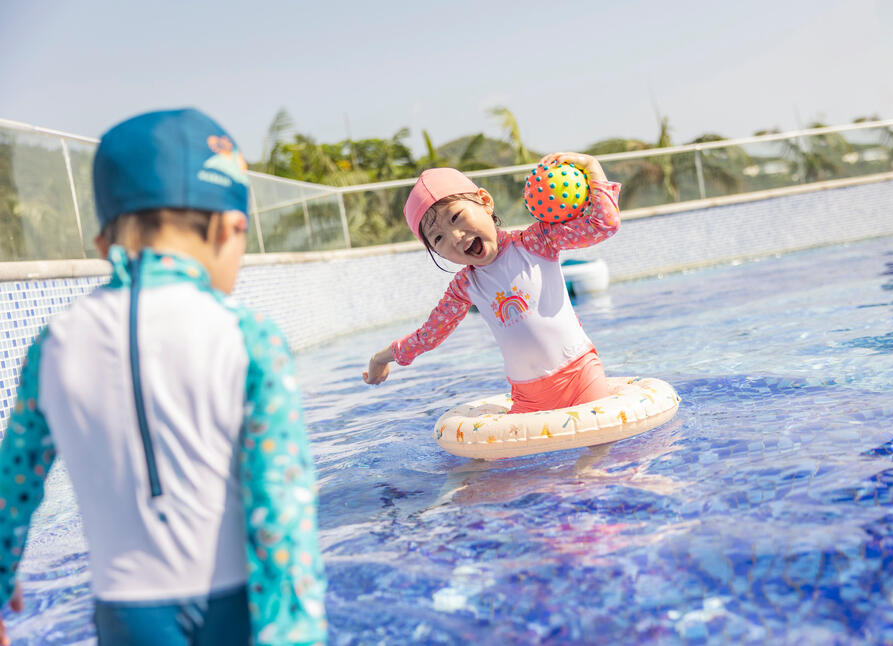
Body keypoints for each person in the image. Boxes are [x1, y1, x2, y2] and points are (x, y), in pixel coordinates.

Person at [0, 108, 326, 646]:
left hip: (124, 618)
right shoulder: (248, 334)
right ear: (231, 227)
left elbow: (14, 483)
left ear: (105, 243)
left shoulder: (52, 344)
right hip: (231, 610)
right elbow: (282, 507)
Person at [363, 153, 622, 414]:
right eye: (438, 238)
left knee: (600, 449)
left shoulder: (536, 242)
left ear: (485, 202)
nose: (455, 236)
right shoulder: (464, 287)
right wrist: (380, 358)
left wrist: (592, 167)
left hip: (580, 374)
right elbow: (429, 335)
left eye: (455, 217)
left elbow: (603, 224)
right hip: (528, 395)